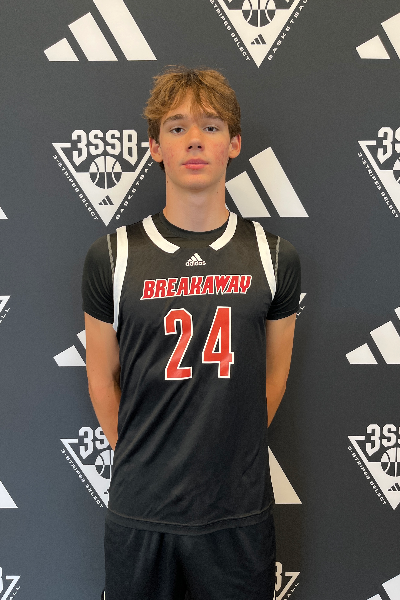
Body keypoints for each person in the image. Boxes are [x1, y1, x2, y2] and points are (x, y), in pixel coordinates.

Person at [82, 67, 301, 600]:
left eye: (211, 126)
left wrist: (227, 456)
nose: (195, 139)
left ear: (234, 143)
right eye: (177, 127)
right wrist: (146, 461)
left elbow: (274, 377)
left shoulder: (273, 257)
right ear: (155, 147)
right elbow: (102, 378)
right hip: (142, 512)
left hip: (236, 513)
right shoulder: (113, 255)